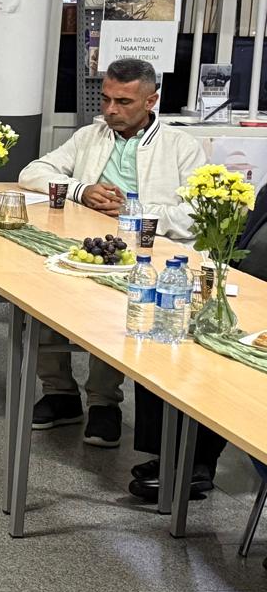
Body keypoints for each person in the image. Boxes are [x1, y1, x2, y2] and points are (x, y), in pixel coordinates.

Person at [19, 56, 206, 449]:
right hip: (81, 242)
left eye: (123, 102)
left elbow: (195, 215)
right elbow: (32, 172)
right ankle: (59, 393)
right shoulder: (92, 135)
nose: (110, 110)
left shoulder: (181, 147)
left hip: (144, 253)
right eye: (106, 99)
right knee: (37, 289)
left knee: (114, 309)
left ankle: (104, 402)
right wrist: (81, 190)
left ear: (151, 101)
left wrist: (135, 213)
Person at [126, 190, 267, 502]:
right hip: (244, 298)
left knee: (214, 361)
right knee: (165, 331)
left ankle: (195, 463)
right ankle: (169, 454)